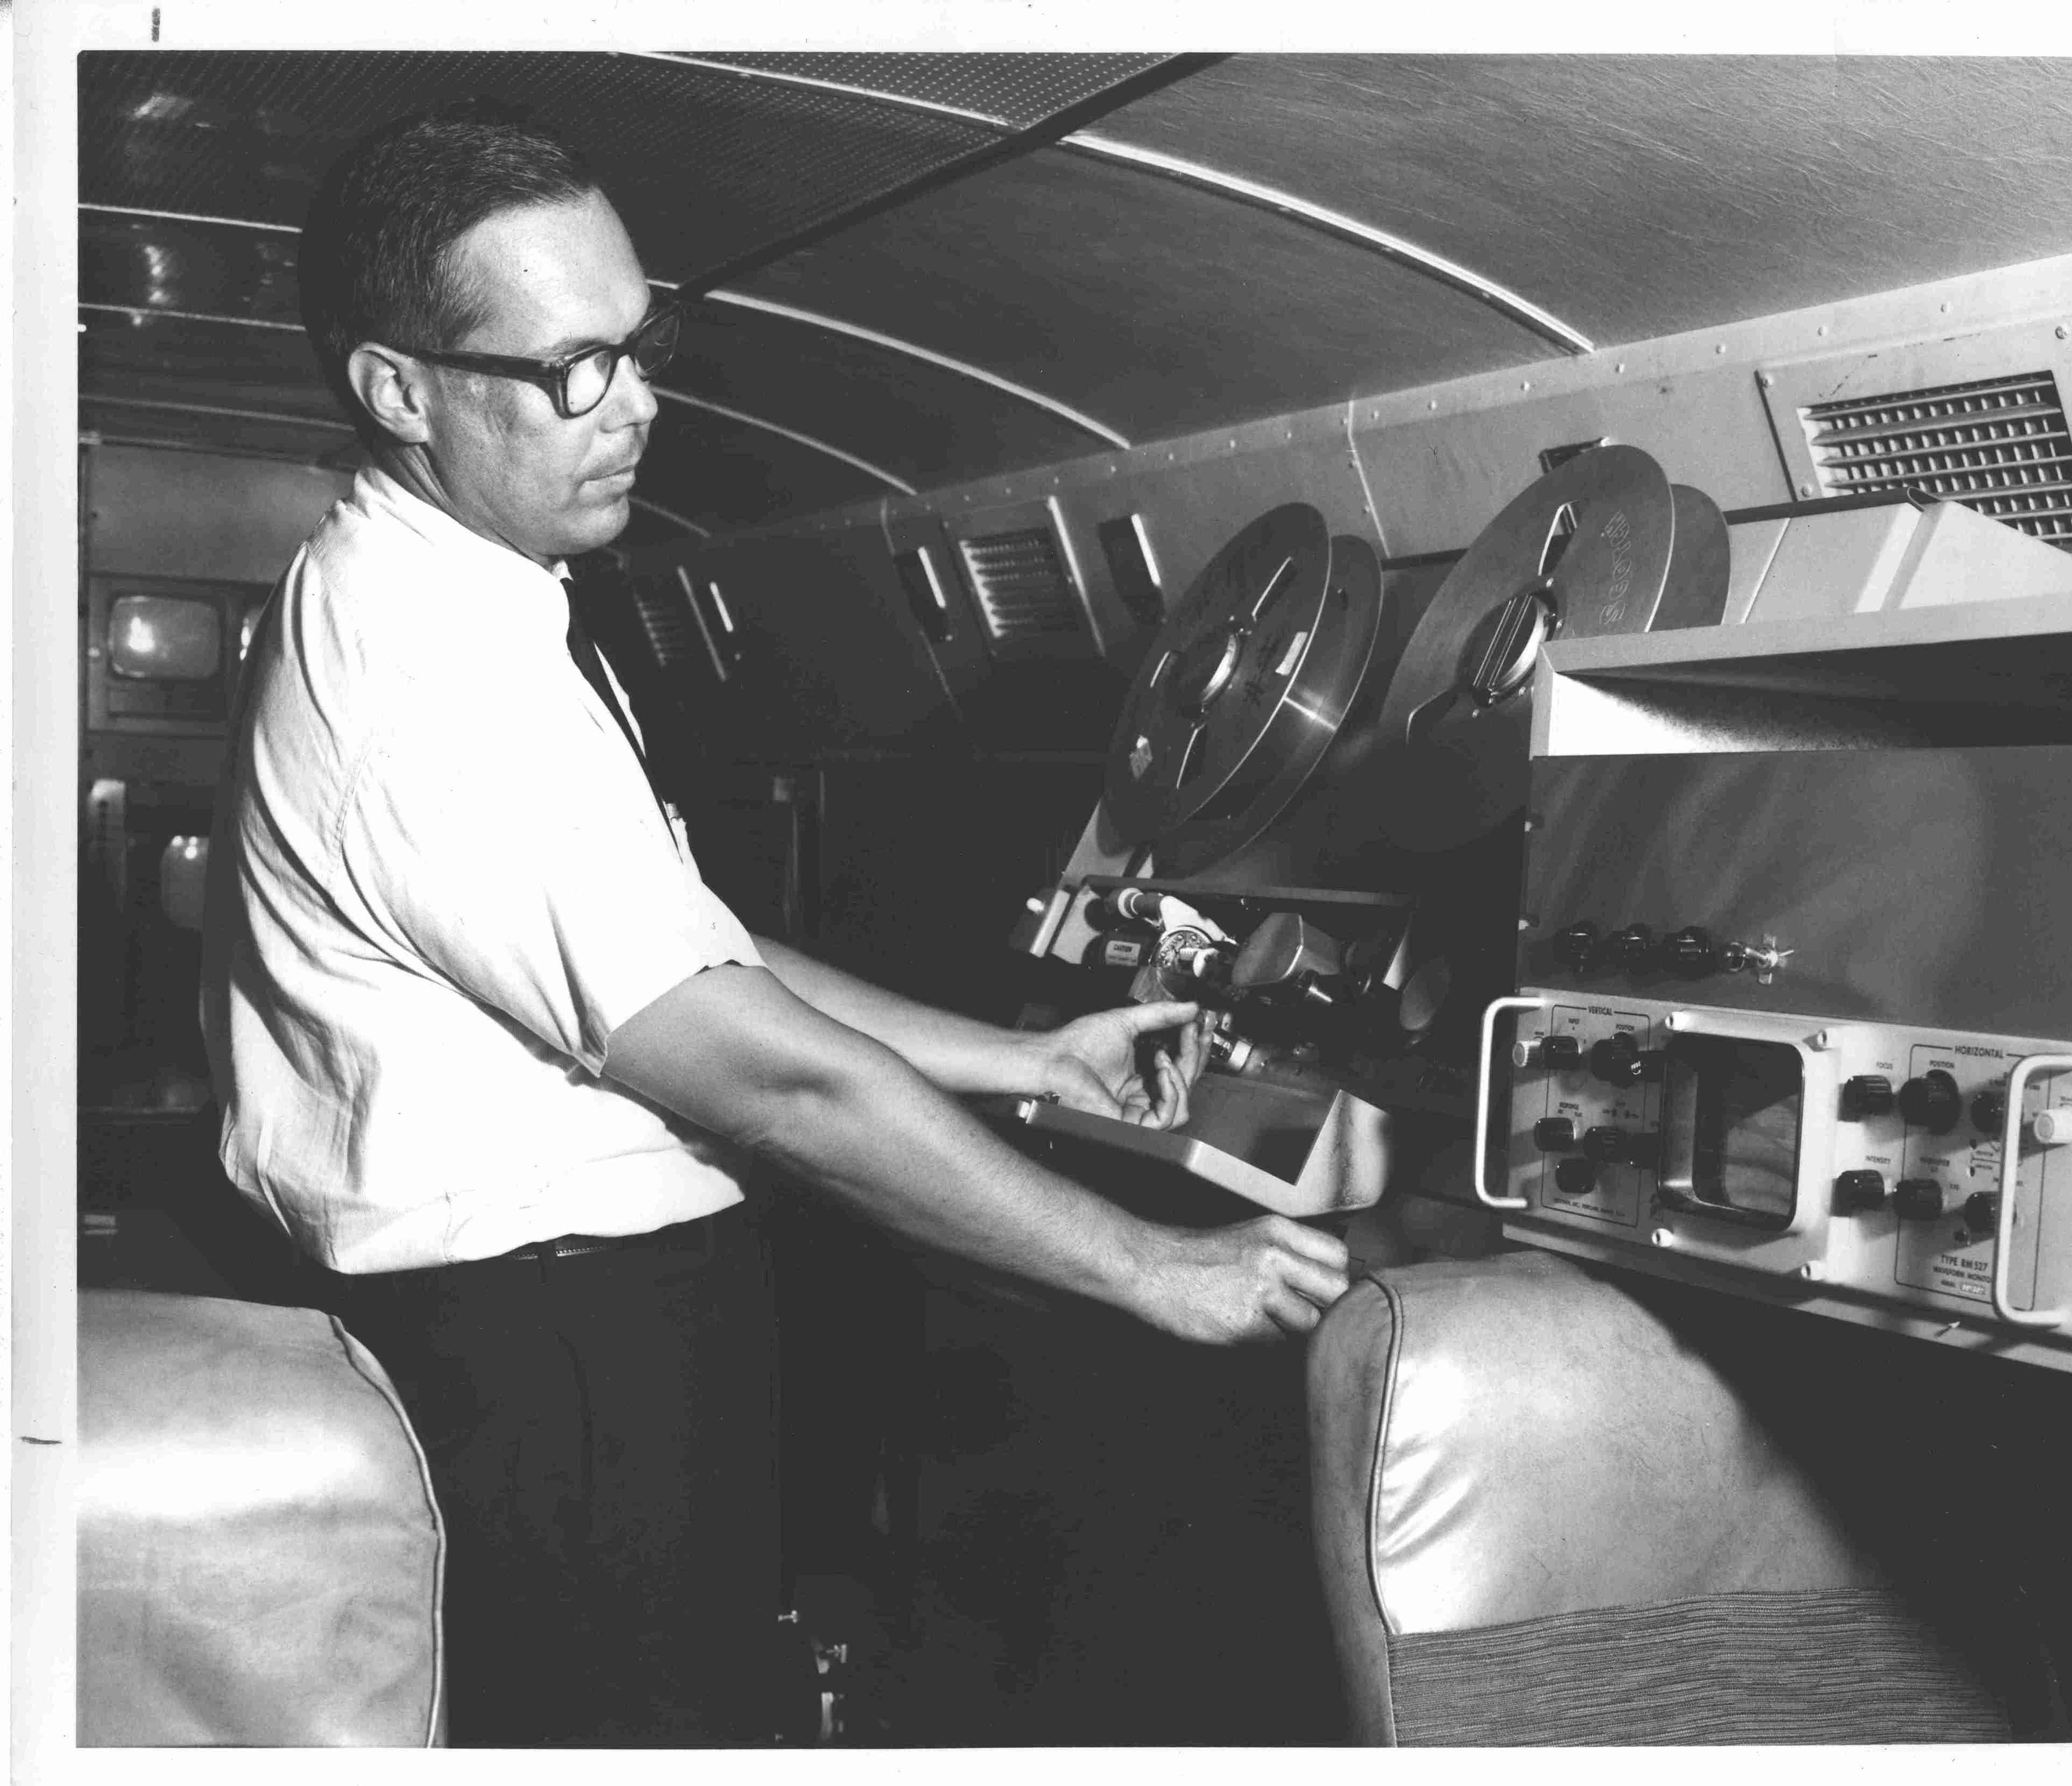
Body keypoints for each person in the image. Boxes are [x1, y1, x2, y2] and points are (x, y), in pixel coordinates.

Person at [199, 97, 1351, 1748]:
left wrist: (1031, 1064)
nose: (638, 405)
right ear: (397, 389)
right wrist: (1153, 1270)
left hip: (575, 1330)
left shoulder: (463, 601)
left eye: (644, 342)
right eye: (571, 369)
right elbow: (768, 1073)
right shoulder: (433, 686)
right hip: (553, 1346)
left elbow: (689, 939)